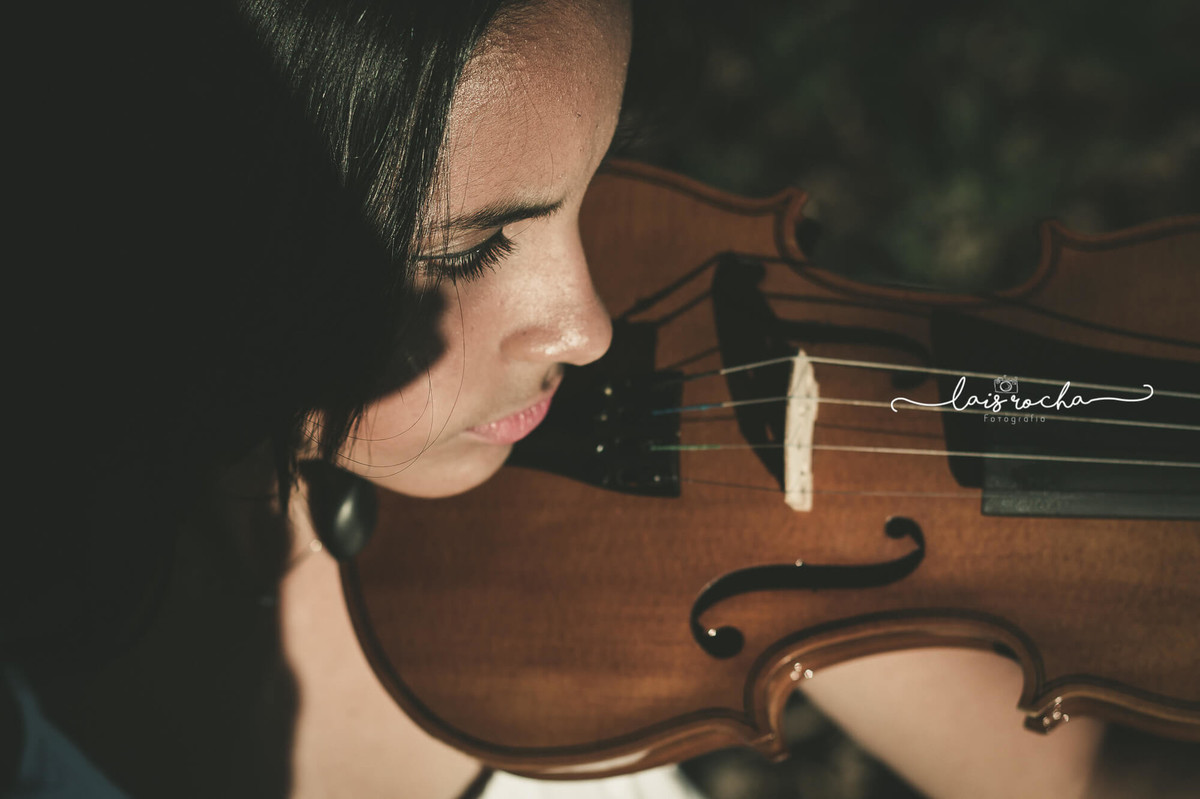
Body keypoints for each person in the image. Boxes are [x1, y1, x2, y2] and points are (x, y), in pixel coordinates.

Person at [4, 1, 1122, 797]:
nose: (591, 328)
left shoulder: (665, 462)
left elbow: (1065, 777)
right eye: (478, 243)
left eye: (590, 188)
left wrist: (806, 539)